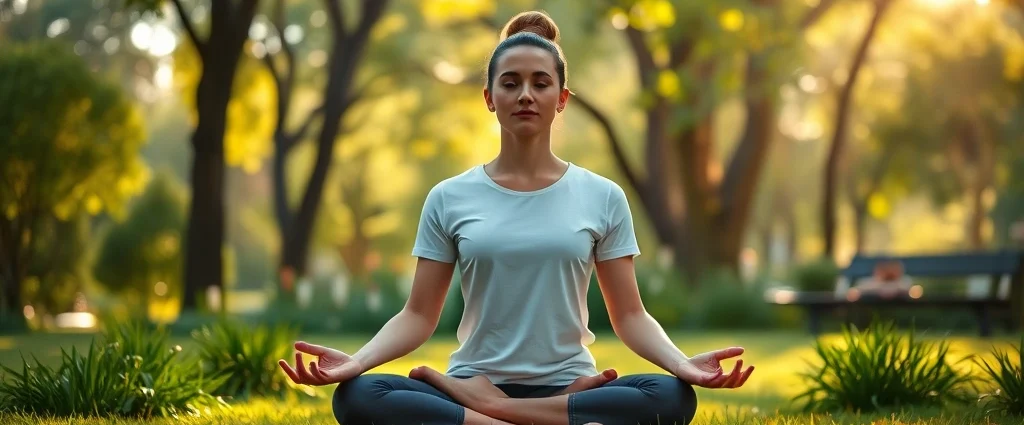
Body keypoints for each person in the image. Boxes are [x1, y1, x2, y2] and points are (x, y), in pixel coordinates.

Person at [279, 10, 754, 425]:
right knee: (359, 396)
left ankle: (485, 415)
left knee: (670, 396)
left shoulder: (602, 196)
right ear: (489, 97)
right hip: (476, 379)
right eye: (510, 83)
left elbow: (630, 316)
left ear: (561, 98)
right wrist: (356, 362)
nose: (526, 94)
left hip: (569, 384)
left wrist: (682, 365)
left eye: (540, 83)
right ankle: (528, 417)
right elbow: (419, 315)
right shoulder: (449, 197)